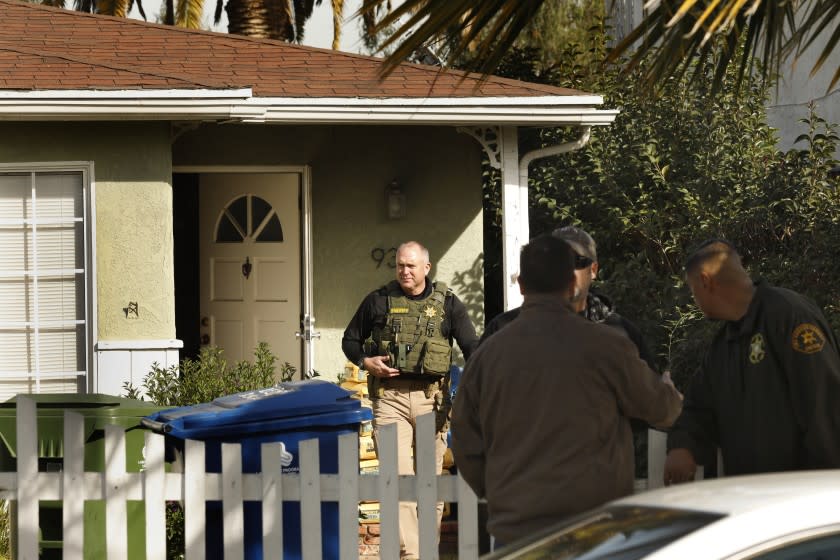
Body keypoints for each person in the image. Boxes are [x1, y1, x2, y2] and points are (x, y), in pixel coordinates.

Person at [451, 234, 682, 545]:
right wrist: (669, 392)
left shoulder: (488, 354)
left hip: (518, 532)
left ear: (521, 284)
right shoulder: (608, 346)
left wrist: (500, 493)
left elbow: (465, 440)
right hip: (594, 529)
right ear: (572, 284)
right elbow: (661, 410)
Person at [342, 240, 478, 559]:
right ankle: (414, 554)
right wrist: (365, 361)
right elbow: (350, 340)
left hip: (432, 400)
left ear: (426, 268)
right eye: (400, 265)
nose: (404, 270)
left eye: (411, 265)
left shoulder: (449, 303)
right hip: (389, 400)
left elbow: (473, 346)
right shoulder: (378, 300)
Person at [664, 239, 840, 484]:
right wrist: (682, 447)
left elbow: (825, 405)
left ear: (706, 281)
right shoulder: (722, 346)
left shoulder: (789, 316)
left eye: (693, 291)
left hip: (804, 496)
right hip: (751, 498)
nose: (694, 300)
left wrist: (824, 486)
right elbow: (699, 408)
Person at [481, 226, 656, 370]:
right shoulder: (502, 329)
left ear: (593, 270)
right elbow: (472, 402)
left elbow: (651, 406)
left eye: (575, 261)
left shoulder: (622, 333)